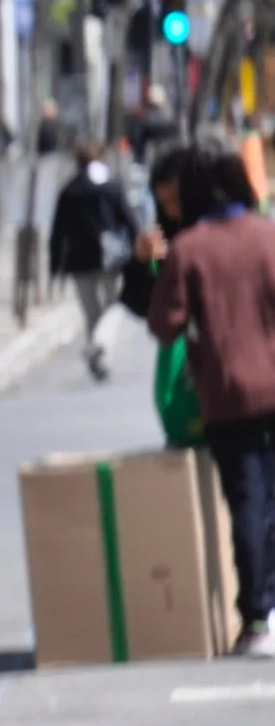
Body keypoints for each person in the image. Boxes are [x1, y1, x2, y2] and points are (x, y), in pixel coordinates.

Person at [147, 149, 275, 657]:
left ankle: (256, 618)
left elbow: (165, 324)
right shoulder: (268, 235)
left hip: (227, 395)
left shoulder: (190, 250)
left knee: (247, 500)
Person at [49, 142, 137, 380]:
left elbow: (58, 231)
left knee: (91, 310)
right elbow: (129, 220)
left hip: (79, 259)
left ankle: (97, 353)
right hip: (110, 257)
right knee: (114, 306)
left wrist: (54, 264)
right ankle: (100, 348)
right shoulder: (112, 187)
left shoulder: (69, 191)